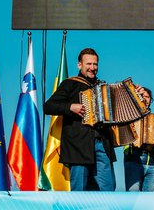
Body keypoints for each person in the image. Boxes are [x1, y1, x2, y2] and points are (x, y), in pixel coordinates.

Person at [44, 48, 148, 191]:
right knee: (79, 193)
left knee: (108, 190)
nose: (92, 68)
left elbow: (122, 111)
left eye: (95, 64)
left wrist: (137, 97)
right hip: (79, 146)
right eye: (89, 64)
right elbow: (48, 106)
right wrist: (70, 107)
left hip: (102, 144)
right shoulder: (70, 84)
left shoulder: (104, 87)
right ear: (79, 65)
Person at [124, 88, 154, 191]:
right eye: (142, 96)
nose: (145, 99)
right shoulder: (130, 114)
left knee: (148, 201)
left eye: (147, 97)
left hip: (152, 163)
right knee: (132, 198)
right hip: (133, 160)